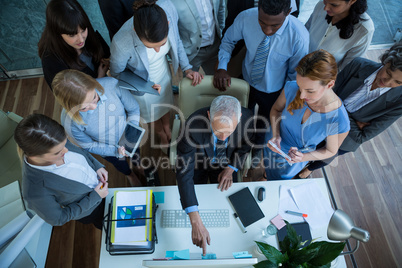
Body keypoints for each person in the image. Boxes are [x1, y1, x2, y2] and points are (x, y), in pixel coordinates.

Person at [214, 0, 309, 155]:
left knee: (263, 126)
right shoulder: (245, 17)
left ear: (289, 12)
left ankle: (255, 152)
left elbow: (294, 74)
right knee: (240, 118)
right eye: (262, 22)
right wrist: (222, 67)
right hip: (245, 81)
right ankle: (236, 150)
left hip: (274, 90)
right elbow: (228, 41)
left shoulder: (299, 36)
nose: (267, 30)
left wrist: (284, 99)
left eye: (275, 26)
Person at [298, 42, 402, 178]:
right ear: (386, 60)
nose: (388, 82)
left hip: (345, 139)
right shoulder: (358, 65)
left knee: (325, 156)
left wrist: (336, 108)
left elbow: (362, 137)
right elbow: (325, 94)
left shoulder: (399, 102)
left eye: (398, 82)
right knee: (302, 149)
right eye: (388, 73)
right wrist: (355, 122)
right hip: (320, 121)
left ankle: (309, 169)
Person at [110, 0, 203, 147]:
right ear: (135, 31)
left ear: (167, 22)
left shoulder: (168, 8)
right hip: (140, 84)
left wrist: (187, 68)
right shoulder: (121, 43)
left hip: (163, 73)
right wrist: (146, 85)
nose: (159, 51)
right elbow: (117, 75)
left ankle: (168, 127)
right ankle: (162, 134)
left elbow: (177, 41)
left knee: (165, 103)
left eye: (161, 44)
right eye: (151, 47)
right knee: (151, 113)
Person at [176, 96, 255, 255]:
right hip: (197, 164)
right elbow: (184, 171)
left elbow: (245, 147)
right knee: (195, 194)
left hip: (225, 164)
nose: (224, 138)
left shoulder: (248, 119)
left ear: (239, 118)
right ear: (209, 116)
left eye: (229, 131)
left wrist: (232, 168)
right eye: (218, 131)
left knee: (220, 198)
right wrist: (195, 221)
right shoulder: (192, 126)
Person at [264, 50, 350, 180]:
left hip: (293, 160)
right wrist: (276, 134)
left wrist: (303, 157)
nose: (302, 96)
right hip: (273, 142)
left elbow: (330, 151)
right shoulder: (291, 88)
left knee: (278, 179)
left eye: (310, 91)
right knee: (267, 165)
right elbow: (276, 110)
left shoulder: (339, 120)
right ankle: (265, 175)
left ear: (330, 84)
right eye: (300, 87)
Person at [15, 114, 109, 229]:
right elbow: (58, 218)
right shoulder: (34, 191)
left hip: (103, 187)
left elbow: (80, 151)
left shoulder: (55, 141)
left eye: (65, 143)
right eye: (57, 152)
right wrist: (96, 196)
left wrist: (97, 166)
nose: (66, 150)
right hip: (93, 211)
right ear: (35, 157)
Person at [52, 69, 142, 187]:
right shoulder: (70, 122)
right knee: (120, 164)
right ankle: (130, 175)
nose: (94, 107)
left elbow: (133, 109)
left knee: (137, 155)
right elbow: (88, 145)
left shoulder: (111, 84)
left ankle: (139, 166)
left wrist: (131, 132)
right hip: (107, 149)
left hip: (129, 135)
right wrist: (115, 152)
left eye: (95, 97)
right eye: (84, 108)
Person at [38, 0, 110, 89]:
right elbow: (72, 99)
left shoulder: (90, 35)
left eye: (83, 30)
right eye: (72, 35)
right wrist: (100, 79)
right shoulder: (51, 61)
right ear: (57, 33)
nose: (81, 39)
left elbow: (107, 55)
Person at [305, 0, 374, 71]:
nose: (325, 8)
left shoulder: (364, 30)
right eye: (325, 1)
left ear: (352, 1)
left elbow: (347, 69)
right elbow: (304, 32)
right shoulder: (321, 5)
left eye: (334, 5)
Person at [170, 0, 225, 75]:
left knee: (218, 82)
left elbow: (221, 11)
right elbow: (172, 34)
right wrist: (183, 62)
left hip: (215, 47)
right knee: (191, 85)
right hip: (190, 53)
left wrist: (221, 34)